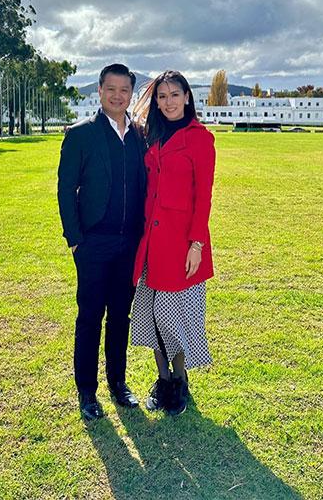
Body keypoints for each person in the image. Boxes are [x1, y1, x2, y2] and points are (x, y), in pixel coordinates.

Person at [57, 63, 147, 420]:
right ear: (99, 90)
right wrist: (76, 240)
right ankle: (87, 392)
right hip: (93, 243)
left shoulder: (139, 136)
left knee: (120, 317)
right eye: (111, 88)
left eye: (124, 90)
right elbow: (65, 190)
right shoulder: (81, 135)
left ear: (131, 94)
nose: (117, 96)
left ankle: (118, 382)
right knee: (90, 316)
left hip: (129, 243)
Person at [129, 70, 216, 416]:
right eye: (162, 96)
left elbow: (203, 196)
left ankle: (179, 383)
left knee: (172, 317)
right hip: (151, 241)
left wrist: (197, 243)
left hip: (181, 243)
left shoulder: (200, 139)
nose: (168, 102)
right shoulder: (152, 136)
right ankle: (163, 380)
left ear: (187, 97)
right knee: (150, 314)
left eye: (174, 95)